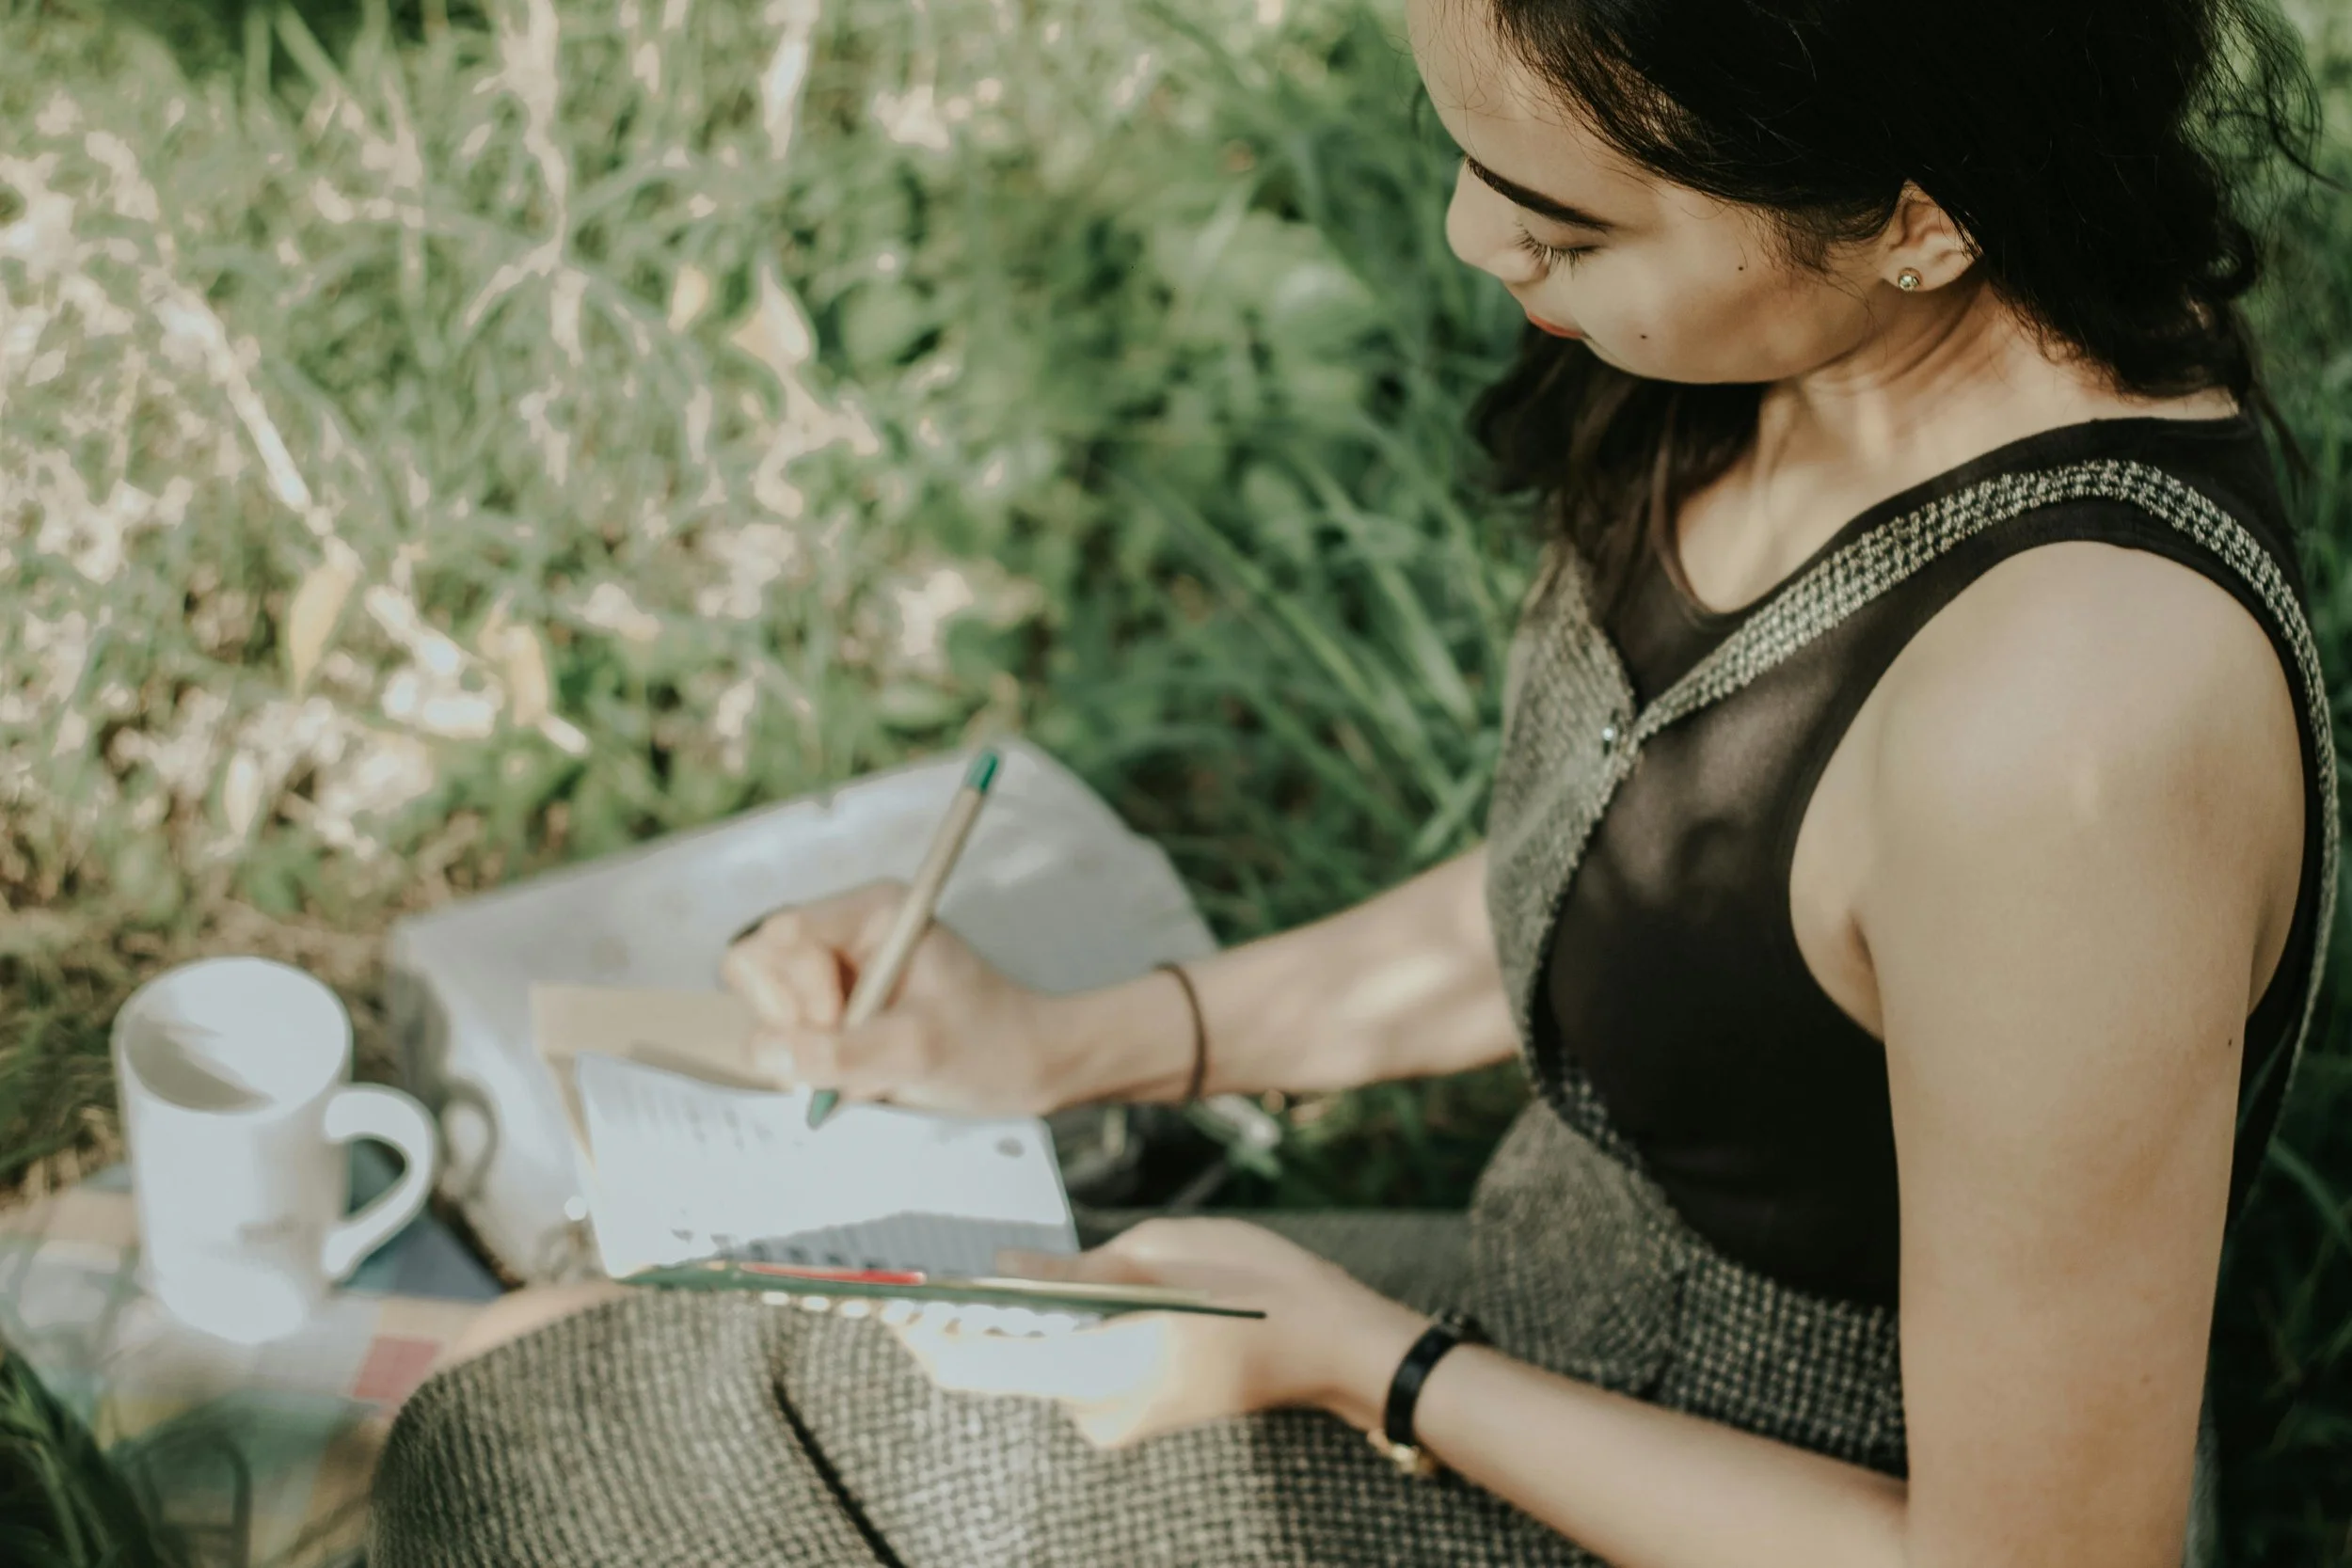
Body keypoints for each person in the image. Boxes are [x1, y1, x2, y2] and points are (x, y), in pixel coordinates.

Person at [367, 0, 2336, 1562]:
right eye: (1470, 160)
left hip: (1735, 1488)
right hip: (1522, 1319)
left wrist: (1368, 1366)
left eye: (1566, 222)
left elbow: (2040, 1556)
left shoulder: (2072, 735)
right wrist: (1066, 1045)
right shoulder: (1834, 358)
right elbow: (1640, 886)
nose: (1474, 242)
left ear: (1914, 210)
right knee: (537, 1359)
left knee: (532, 1452)